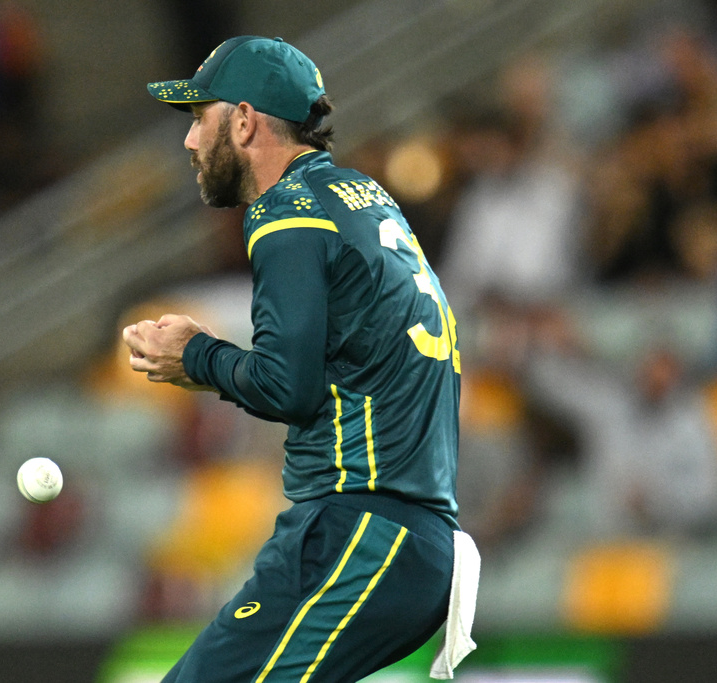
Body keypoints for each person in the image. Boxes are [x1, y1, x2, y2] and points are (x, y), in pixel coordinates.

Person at [123, 36, 477, 682]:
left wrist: (194, 355)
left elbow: (289, 388)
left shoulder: (288, 211)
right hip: (408, 537)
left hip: (362, 528)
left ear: (244, 120)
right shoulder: (360, 196)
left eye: (200, 119)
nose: (190, 142)